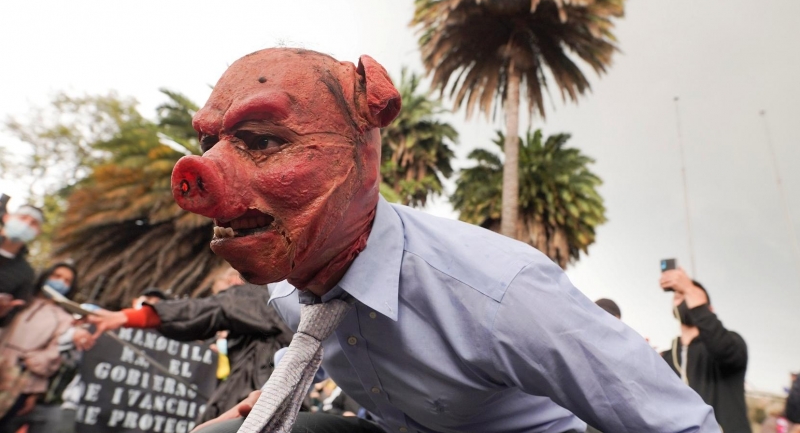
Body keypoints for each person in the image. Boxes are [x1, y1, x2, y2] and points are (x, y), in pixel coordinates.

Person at [163, 47, 719, 433]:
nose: (204, 173)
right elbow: (331, 342)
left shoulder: (500, 293)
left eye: (261, 139)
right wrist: (274, 397)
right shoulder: (292, 292)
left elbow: (679, 422)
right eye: (210, 142)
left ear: (367, 150)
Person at [88, 268, 292, 423]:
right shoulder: (284, 311)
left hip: (251, 400)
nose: (220, 296)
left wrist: (128, 317)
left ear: (232, 281)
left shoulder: (246, 296)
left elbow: (205, 310)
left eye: (219, 292)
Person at [0, 262, 94, 433]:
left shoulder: (64, 318)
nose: (60, 282)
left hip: (19, 382)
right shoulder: (21, 300)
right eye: (56, 276)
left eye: (67, 281)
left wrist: (31, 364)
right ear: (46, 275)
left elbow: (55, 352)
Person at [660, 268, 751, 433]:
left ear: (709, 309)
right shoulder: (667, 356)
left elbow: (724, 349)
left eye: (687, 295)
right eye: (677, 296)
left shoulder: (732, 342)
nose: (681, 296)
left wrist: (689, 288)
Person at [0, 205, 44, 325]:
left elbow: (8, 319)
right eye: (23, 218)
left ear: (37, 232)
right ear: (6, 217)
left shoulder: (27, 274)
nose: (26, 224)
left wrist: (3, 312)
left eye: (33, 223)